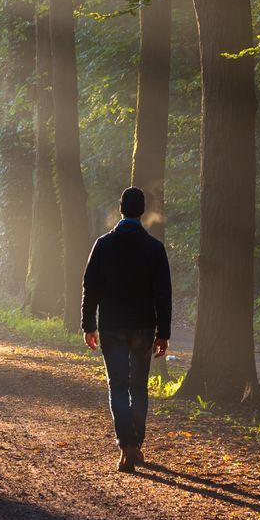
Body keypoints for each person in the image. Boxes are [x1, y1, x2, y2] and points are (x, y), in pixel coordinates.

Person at [80, 186, 171, 472]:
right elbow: (163, 293)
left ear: (121, 209)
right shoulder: (154, 248)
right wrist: (163, 332)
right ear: (141, 211)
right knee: (138, 387)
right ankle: (136, 443)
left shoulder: (104, 245)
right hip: (144, 327)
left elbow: (90, 287)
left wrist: (88, 324)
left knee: (117, 386)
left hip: (111, 326)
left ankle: (127, 445)